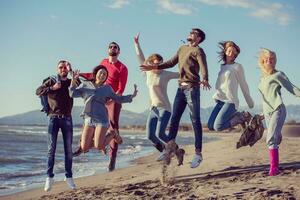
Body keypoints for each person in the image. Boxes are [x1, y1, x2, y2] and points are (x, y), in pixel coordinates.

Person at [140, 28, 211, 168]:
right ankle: (170, 148)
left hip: (192, 88)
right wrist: (154, 66)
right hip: (181, 89)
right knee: (174, 120)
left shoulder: (198, 51)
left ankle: (198, 154)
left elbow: (203, 66)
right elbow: (170, 63)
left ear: (199, 39)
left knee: (195, 120)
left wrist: (205, 78)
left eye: (194, 33)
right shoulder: (182, 49)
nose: (190, 34)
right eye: (190, 32)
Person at [134, 33, 184, 164]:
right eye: (155, 63)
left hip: (165, 108)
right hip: (153, 109)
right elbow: (140, 58)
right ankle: (171, 152)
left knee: (161, 133)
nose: (158, 66)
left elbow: (181, 74)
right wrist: (136, 44)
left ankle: (171, 151)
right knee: (150, 135)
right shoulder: (148, 73)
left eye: (160, 64)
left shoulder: (165, 74)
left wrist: (193, 72)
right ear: (151, 63)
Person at [69, 65, 137, 158]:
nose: (102, 75)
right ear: (95, 74)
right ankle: (97, 141)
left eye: (105, 74)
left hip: (101, 119)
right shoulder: (85, 85)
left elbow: (118, 98)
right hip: (89, 119)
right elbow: (72, 94)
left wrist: (131, 96)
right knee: (84, 148)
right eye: (101, 72)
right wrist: (73, 81)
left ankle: (112, 133)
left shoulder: (107, 88)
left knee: (99, 146)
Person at [257, 48, 300, 176]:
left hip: (278, 109)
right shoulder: (262, 79)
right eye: (266, 59)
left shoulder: (278, 75)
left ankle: (274, 168)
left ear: (274, 61)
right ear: (263, 62)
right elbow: (265, 97)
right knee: (274, 137)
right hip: (267, 112)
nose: (269, 61)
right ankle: (276, 137)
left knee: (270, 138)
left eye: (272, 59)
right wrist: (262, 113)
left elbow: (291, 87)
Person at [36, 60, 76, 192]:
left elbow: (81, 85)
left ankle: (69, 177)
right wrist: (52, 88)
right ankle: (49, 177)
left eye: (65, 67)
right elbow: (38, 91)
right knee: (51, 150)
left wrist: (72, 71)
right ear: (57, 69)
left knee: (68, 151)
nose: (63, 69)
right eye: (61, 67)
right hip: (53, 119)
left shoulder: (71, 82)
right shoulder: (51, 81)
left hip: (67, 119)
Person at [208, 41, 254, 131]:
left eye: (234, 52)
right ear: (225, 52)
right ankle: (236, 116)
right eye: (229, 51)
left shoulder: (237, 67)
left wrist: (249, 102)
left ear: (236, 54)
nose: (231, 53)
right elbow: (221, 85)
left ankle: (242, 117)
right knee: (210, 126)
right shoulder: (222, 67)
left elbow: (243, 84)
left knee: (218, 127)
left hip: (230, 101)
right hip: (220, 101)